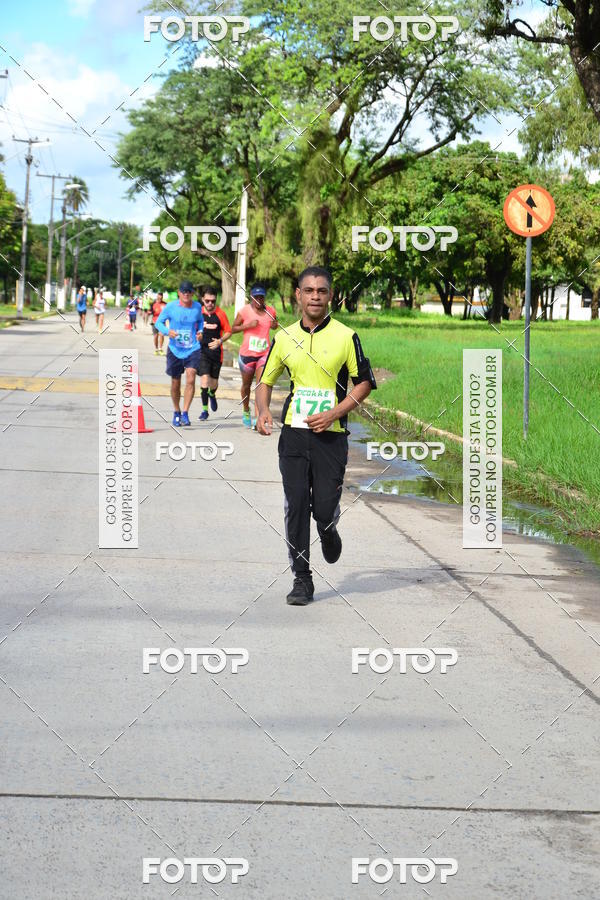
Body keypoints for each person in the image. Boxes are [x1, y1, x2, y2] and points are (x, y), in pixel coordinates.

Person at [256, 266, 377, 606]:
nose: (314, 296)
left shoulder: (345, 335)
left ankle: (328, 528)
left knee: (323, 508)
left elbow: (364, 382)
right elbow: (265, 381)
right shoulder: (283, 337)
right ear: (298, 294)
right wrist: (262, 411)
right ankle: (302, 579)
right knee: (296, 505)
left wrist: (335, 413)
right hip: (294, 434)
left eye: (321, 291)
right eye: (308, 290)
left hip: (331, 437)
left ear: (330, 295)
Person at [155, 280, 204, 426]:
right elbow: (159, 323)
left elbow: (200, 321)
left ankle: (185, 413)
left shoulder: (197, 307)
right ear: (179, 292)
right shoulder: (170, 307)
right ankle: (176, 411)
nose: (186, 294)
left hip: (192, 348)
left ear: (192, 293)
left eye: (189, 291)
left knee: (191, 378)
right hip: (175, 349)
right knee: (175, 383)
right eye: (184, 291)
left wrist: (200, 331)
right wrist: (166, 331)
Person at [231, 284, 278, 428]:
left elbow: (275, 325)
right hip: (247, 355)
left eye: (261, 297)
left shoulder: (270, 311)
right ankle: (246, 410)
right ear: (251, 297)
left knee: (261, 385)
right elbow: (233, 329)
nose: (259, 300)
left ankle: (259, 419)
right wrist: (248, 325)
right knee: (246, 386)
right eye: (256, 297)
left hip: (263, 354)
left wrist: (274, 323)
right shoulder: (244, 312)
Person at [197, 285, 232, 420]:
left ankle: (212, 394)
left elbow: (229, 331)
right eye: (207, 301)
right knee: (204, 378)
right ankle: (204, 411)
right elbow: (192, 327)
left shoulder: (221, 314)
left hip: (217, 353)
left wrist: (220, 341)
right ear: (202, 300)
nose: (210, 303)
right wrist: (197, 336)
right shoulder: (198, 313)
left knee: (214, 382)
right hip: (202, 352)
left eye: (213, 301)